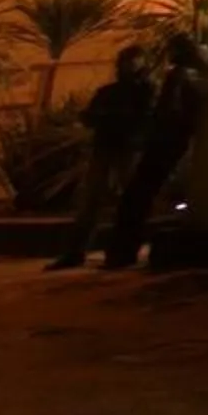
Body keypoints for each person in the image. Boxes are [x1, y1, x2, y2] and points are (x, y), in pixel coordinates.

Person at [96, 33, 208, 271]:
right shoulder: (202, 80)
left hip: (163, 142)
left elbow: (170, 110)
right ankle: (125, 251)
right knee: (142, 195)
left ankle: (122, 252)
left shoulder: (178, 77)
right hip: (176, 142)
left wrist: (155, 129)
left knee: (135, 197)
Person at [47, 44, 157, 270]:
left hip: (127, 148)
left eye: (133, 61)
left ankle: (122, 250)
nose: (128, 66)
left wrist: (112, 119)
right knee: (93, 201)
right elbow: (92, 116)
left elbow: (144, 118)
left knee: (128, 201)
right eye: (126, 61)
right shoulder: (112, 92)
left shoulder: (145, 91)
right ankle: (78, 251)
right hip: (109, 147)